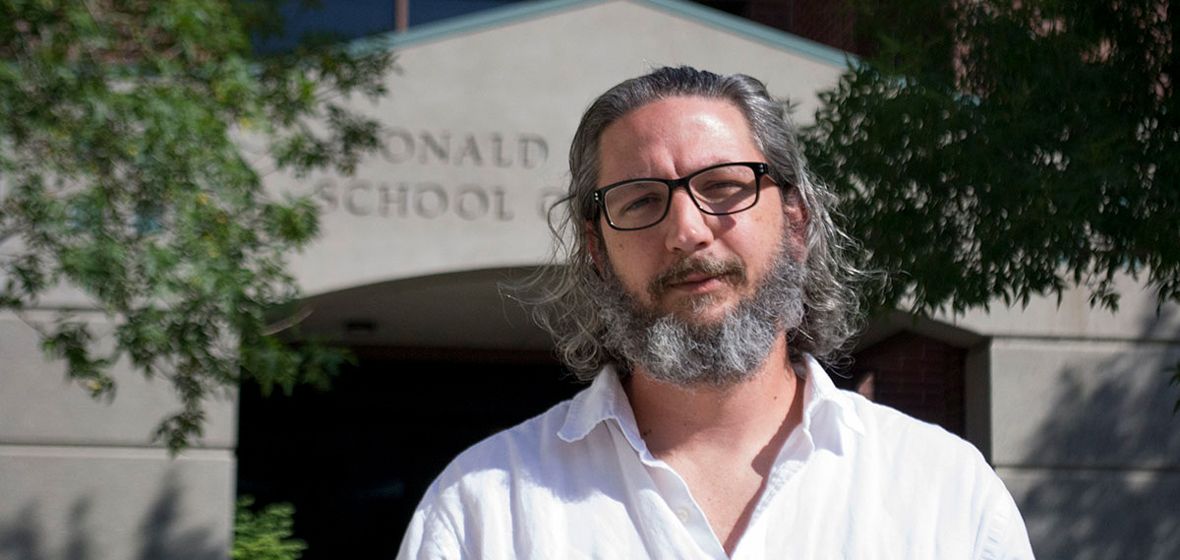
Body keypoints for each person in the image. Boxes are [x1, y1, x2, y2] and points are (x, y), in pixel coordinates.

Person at [397, 66, 1035, 559]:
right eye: (641, 200)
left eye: (725, 187)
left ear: (795, 222)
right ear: (596, 249)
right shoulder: (483, 504)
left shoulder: (944, 491)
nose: (687, 230)